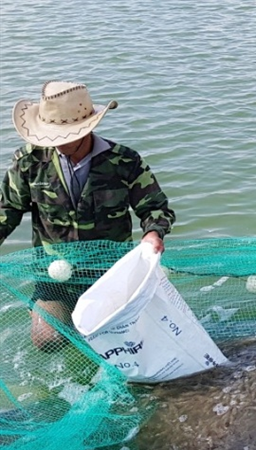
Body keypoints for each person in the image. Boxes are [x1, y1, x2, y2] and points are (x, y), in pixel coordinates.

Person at [0, 81, 175, 351]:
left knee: (121, 343)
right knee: (48, 341)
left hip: (111, 274)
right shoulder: (28, 162)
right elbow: (7, 210)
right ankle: (45, 311)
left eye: (64, 134)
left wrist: (153, 233)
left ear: (87, 128)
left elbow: (155, 207)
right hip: (53, 276)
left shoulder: (125, 161)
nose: (57, 142)